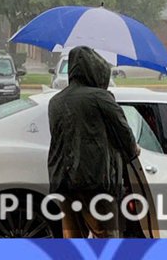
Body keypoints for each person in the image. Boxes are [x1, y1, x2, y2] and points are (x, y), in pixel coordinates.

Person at [47, 45, 140, 239]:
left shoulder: (55, 101)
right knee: (106, 236)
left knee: (72, 237)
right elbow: (124, 133)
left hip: (62, 180)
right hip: (94, 180)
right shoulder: (101, 97)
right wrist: (133, 150)